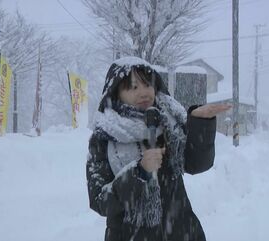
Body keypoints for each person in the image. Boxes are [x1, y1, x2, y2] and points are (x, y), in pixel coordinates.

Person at [86, 56, 231, 241]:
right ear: (116, 93)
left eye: (148, 85)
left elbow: (197, 164)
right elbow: (100, 201)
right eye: (133, 87)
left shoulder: (169, 123)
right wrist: (138, 172)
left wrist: (200, 123)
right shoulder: (103, 139)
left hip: (182, 232)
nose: (144, 92)